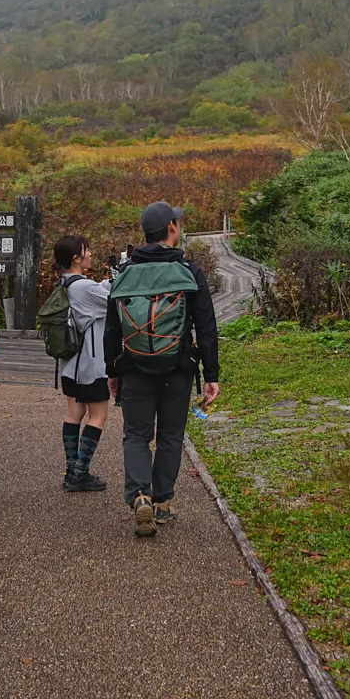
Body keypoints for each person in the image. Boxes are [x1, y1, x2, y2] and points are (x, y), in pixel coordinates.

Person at [105, 201, 220, 537]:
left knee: (137, 435)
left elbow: (112, 329)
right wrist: (211, 375)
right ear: (171, 228)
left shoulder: (125, 274)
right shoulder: (188, 271)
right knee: (170, 436)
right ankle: (163, 503)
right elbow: (207, 327)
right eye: (178, 222)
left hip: (135, 369)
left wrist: (113, 371)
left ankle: (140, 494)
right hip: (178, 370)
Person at [53, 233, 112, 492]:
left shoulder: (64, 283)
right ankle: (80, 473)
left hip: (69, 365)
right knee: (98, 415)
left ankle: (71, 471)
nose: (91, 254)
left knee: (74, 414)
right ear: (76, 259)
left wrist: (105, 283)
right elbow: (114, 302)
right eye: (86, 251)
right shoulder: (85, 287)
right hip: (90, 364)